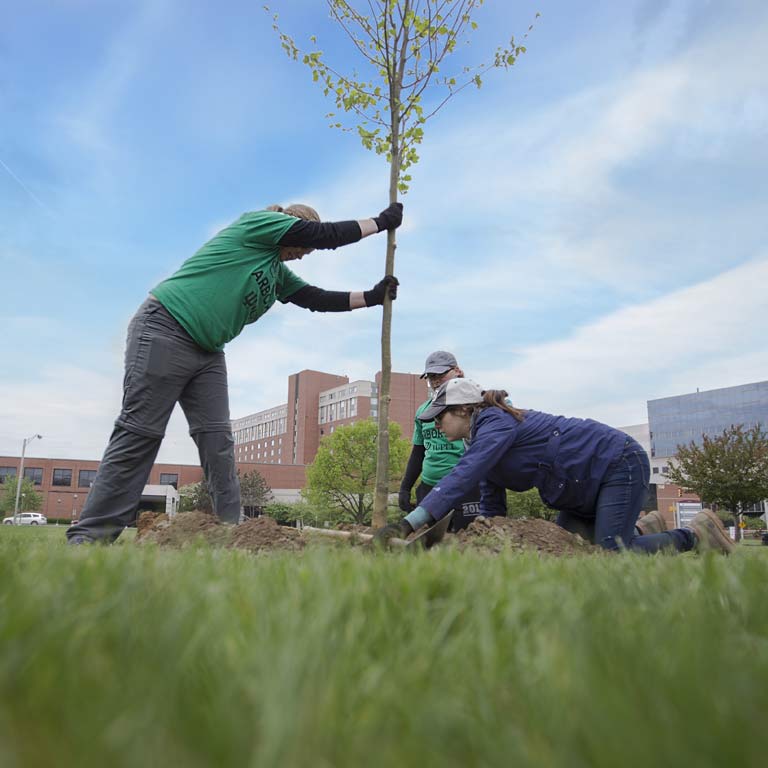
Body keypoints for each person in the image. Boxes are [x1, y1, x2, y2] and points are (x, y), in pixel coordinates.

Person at [68, 201, 403, 544]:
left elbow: (315, 298)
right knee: (141, 431)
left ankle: (234, 533)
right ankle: (89, 538)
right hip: (165, 327)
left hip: (208, 353)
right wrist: (379, 223)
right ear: (291, 229)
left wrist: (373, 296)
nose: (303, 256)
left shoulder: (276, 272)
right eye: (304, 248)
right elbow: (325, 235)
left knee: (218, 441)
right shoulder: (258, 225)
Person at [376, 378, 734, 554]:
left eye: (440, 417)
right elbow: (491, 506)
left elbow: (464, 473)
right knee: (570, 551)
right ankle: (644, 528)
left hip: (614, 464)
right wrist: (483, 540)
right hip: (580, 490)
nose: (434, 425)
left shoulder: (493, 423)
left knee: (611, 555)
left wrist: (410, 522)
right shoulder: (479, 439)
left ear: (462, 410)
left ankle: (697, 536)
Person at [398, 351, 493, 531]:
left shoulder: (475, 405)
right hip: (429, 487)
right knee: (429, 539)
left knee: (467, 535)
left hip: (465, 485)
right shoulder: (424, 412)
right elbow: (418, 452)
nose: (435, 381)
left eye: (440, 375)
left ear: (457, 371)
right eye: (431, 376)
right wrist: (405, 487)